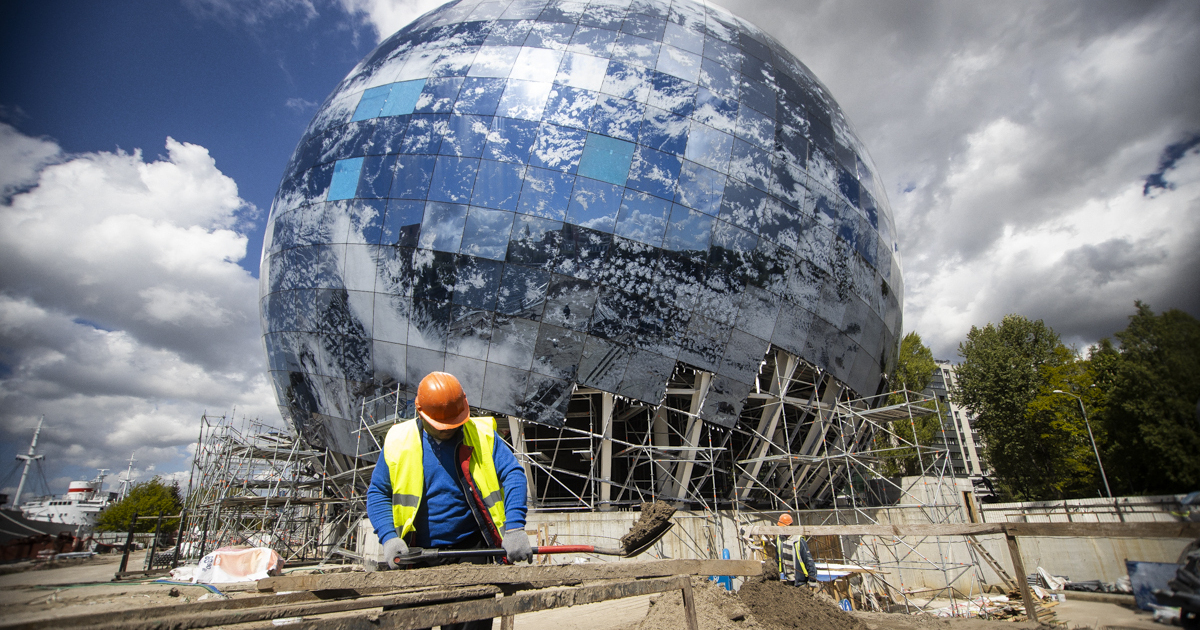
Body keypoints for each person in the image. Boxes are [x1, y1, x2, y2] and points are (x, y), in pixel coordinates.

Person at [366, 372, 531, 603]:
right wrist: (388, 537)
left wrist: (514, 527)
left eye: (452, 424)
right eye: (439, 426)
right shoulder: (398, 441)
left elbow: (513, 475)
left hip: (472, 550)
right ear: (420, 413)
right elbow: (378, 492)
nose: (446, 430)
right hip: (416, 554)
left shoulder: (482, 435)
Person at [774, 514, 818, 586]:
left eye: (784, 527)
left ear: (790, 526)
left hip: (800, 580)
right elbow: (777, 559)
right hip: (788, 578)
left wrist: (812, 578)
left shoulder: (798, 540)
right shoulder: (779, 539)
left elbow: (808, 560)